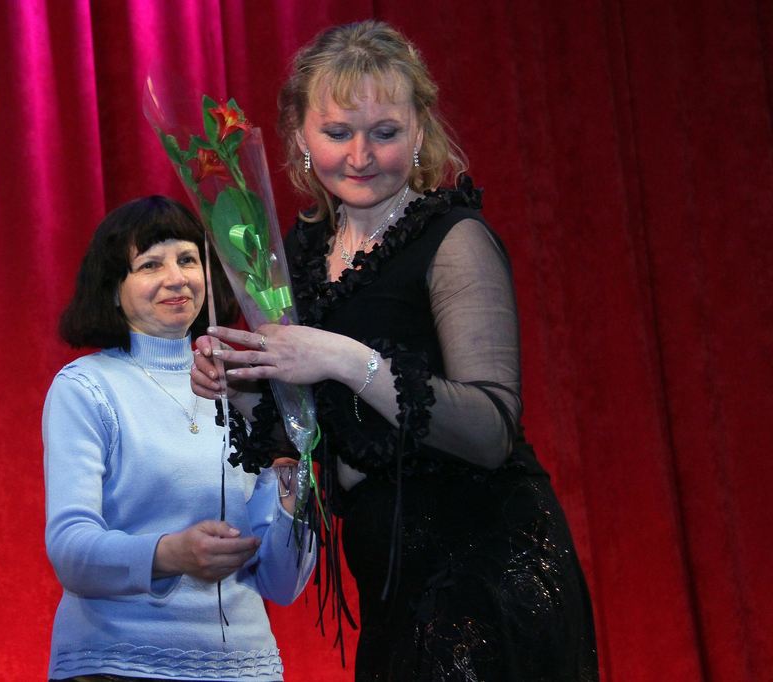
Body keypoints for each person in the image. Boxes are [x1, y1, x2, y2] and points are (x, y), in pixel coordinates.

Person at [191, 21, 598, 681]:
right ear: (299, 138)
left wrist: (341, 357)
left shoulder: (453, 239)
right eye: (337, 133)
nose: (360, 155)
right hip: (389, 586)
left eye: (383, 132)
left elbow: (490, 430)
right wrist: (233, 380)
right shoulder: (296, 255)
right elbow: (298, 435)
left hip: (489, 574)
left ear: (418, 133)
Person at [43, 195, 315, 682]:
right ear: (112, 289)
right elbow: (71, 551)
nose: (176, 278)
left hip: (245, 668)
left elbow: (283, 583)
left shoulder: (246, 385)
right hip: (116, 664)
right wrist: (172, 554)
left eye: (188, 259)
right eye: (150, 264)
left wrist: (297, 463)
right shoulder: (86, 387)